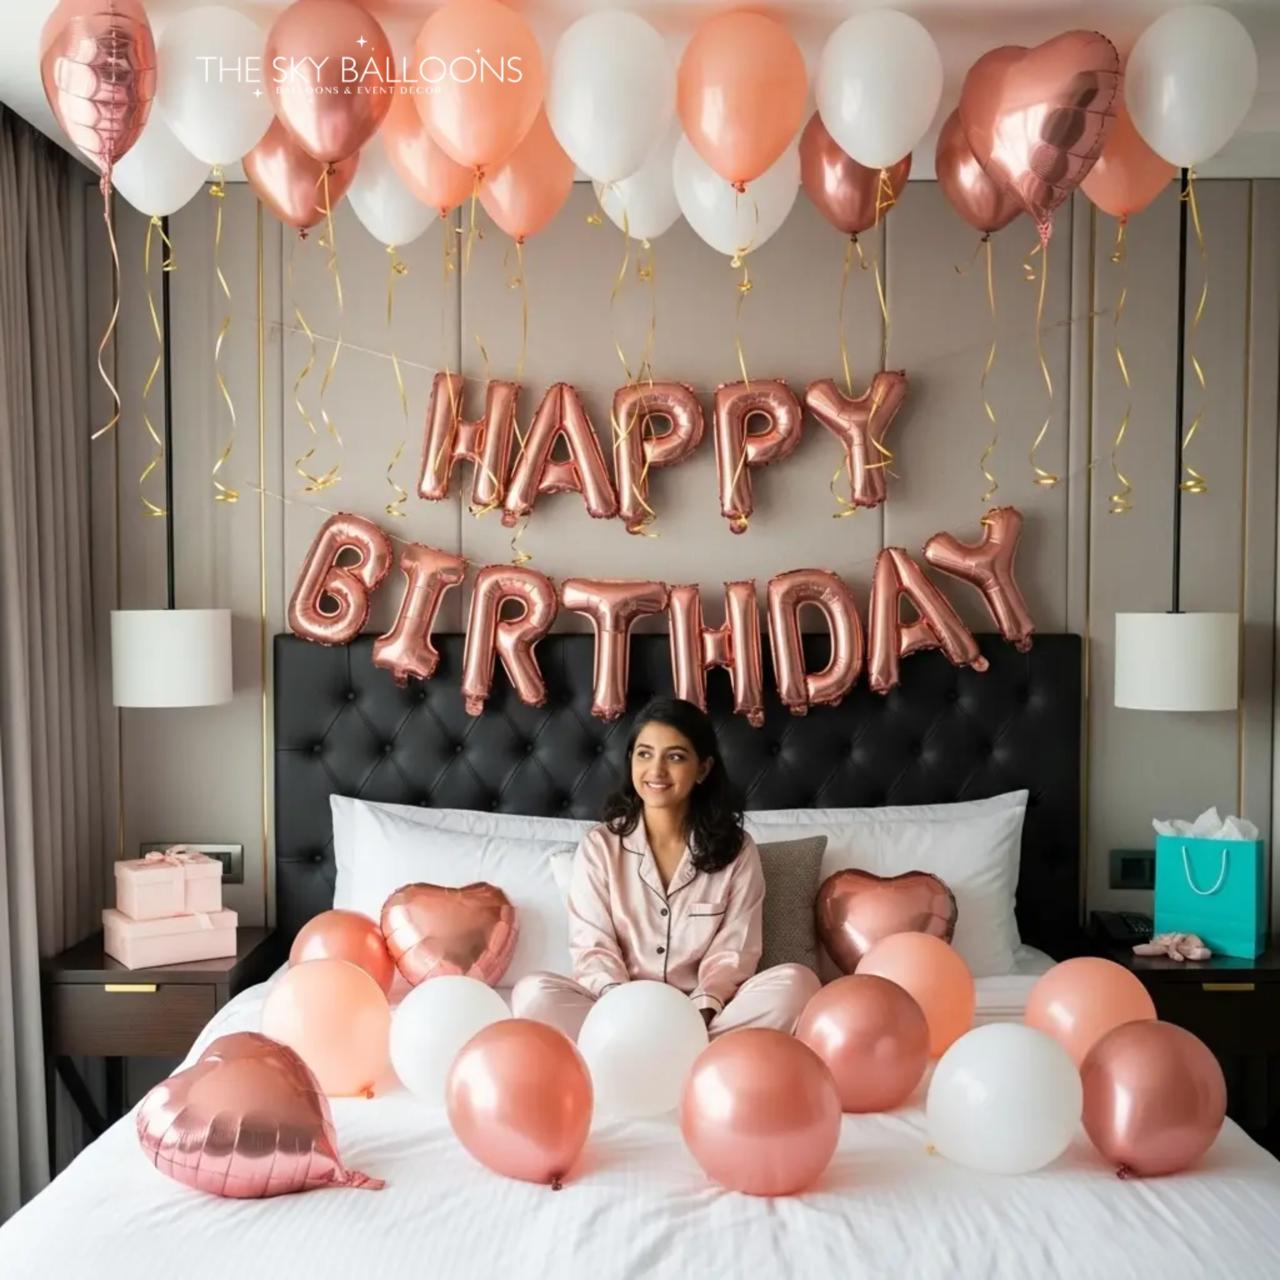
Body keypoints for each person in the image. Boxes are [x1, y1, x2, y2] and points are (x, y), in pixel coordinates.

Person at [512, 697, 820, 1040]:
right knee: (532, 993)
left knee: (797, 983)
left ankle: (674, 1049)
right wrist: (626, 1013)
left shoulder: (737, 850)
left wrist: (696, 1015)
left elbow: (734, 952)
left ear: (703, 769)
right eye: (644, 754)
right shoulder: (600, 847)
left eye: (675, 757)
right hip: (617, 1012)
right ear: (631, 761)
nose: (656, 770)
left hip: (704, 1014)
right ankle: (675, 1051)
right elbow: (593, 948)